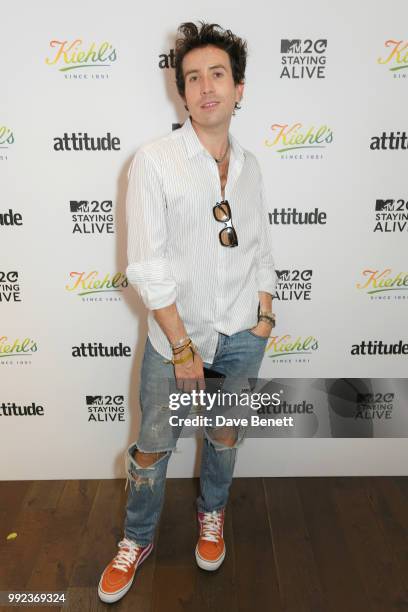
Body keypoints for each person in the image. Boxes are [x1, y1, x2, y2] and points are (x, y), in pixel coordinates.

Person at [98, 20, 277, 604]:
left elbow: (258, 244)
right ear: (182, 93)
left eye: (218, 75)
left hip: (242, 333)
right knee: (154, 445)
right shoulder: (154, 160)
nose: (206, 88)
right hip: (176, 340)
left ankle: (212, 513)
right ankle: (137, 538)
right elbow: (146, 264)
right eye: (194, 78)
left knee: (223, 436)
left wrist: (265, 313)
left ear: (239, 88)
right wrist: (181, 347)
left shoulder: (250, 166)